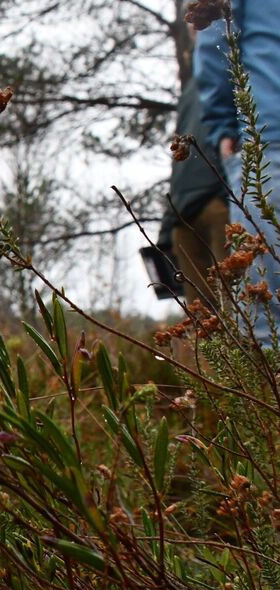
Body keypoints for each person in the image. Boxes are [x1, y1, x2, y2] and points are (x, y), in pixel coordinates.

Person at [196, 3, 280, 346]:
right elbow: (216, 24)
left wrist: (223, 126)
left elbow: (215, 27)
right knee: (263, 297)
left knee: (263, 307)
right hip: (267, 135)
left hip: (267, 137)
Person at [158, 66, 228, 307]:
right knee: (200, 313)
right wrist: (167, 227)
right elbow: (178, 157)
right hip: (183, 215)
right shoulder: (189, 89)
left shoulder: (240, 61)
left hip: (222, 203)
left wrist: (227, 191)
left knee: (236, 300)